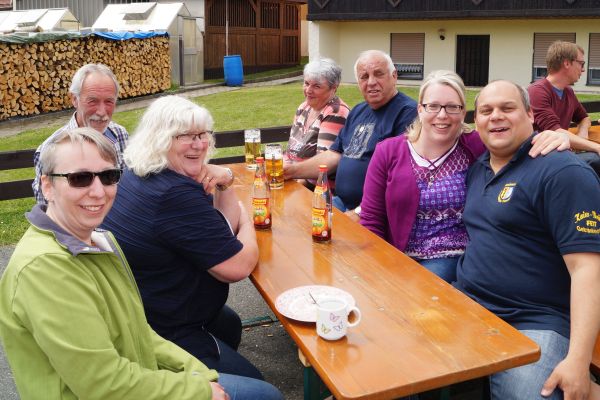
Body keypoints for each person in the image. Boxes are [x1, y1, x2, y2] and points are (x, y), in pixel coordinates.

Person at [0, 127, 283, 400]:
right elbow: (103, 384)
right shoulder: (44, 270)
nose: (98, 192)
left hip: (136, 371)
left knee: (234, 342)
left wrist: (198, 373)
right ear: (47, 186)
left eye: (108, 176)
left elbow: (139, 330)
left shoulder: (98, 239)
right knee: (265, 394)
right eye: (80, 178)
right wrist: (198, 390)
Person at [455, 80, 600, 399]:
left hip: (533, 320)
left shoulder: (562, 172)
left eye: (507, 108)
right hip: (468, 306)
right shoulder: (478, 167)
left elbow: (588, 269)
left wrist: (577, 361)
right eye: (486, 111)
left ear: (531, 115)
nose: (495, 116)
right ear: (476, 122)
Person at [101, 95, 263, 380]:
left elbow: (223, 229)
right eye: (185, 136)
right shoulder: (173, 194)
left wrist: (225, 181)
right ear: (160, 139)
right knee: (262, 391)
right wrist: (248, 222)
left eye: (202, 134)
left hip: (147, 305)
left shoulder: (143, 172)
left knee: (230, 324)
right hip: (165, 326)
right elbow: (237, 266)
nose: (199, 144)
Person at [360, 71, 569, 283]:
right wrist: (377, 264)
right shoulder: (388, 151)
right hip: (398, 256)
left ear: (463, 112)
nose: (442, 115)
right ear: (420, 109)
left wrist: (555, 137)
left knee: (421, 286)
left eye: (452, 107)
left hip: (451, 256)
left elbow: (517, 142)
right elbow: (371, 219)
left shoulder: (476, 146)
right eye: (433, 106)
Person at [284, 50, 417, 219]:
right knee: (290, 218)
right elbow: (334, 155)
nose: (371, 82)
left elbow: (399, 179)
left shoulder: (407, 113)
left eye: (378, 74)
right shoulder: (359, 111)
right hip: (340, 202)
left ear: (394, 76)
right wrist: (290, 172)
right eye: (364, 77)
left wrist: (360, 212)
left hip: (373, 213)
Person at [32, 63, 129, 203]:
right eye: (92, 101)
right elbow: (47, 207)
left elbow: (127, 190)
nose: (101, 112)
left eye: (109, 101)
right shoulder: (51, 148)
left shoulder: (120, 134)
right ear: (74, 99)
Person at [528, 40, 600, 175]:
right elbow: (555, 132)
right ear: (567, 63)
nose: (583, 69)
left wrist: (582, 132)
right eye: (581, 63)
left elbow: (584, 118)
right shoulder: (537, 91)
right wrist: (596, 147)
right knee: (595, 159)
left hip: (559, 154)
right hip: (539, 160)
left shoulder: (568, 92)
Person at [285, 58, 350, 188]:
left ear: (333, 88)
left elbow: (322, 166)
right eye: (306, 83)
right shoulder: (304, 108)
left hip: (317, 190)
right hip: (293, 181)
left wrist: (291, 184)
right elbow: (289, 153)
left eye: (316, 86)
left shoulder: (336, 113)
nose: (308, 90)